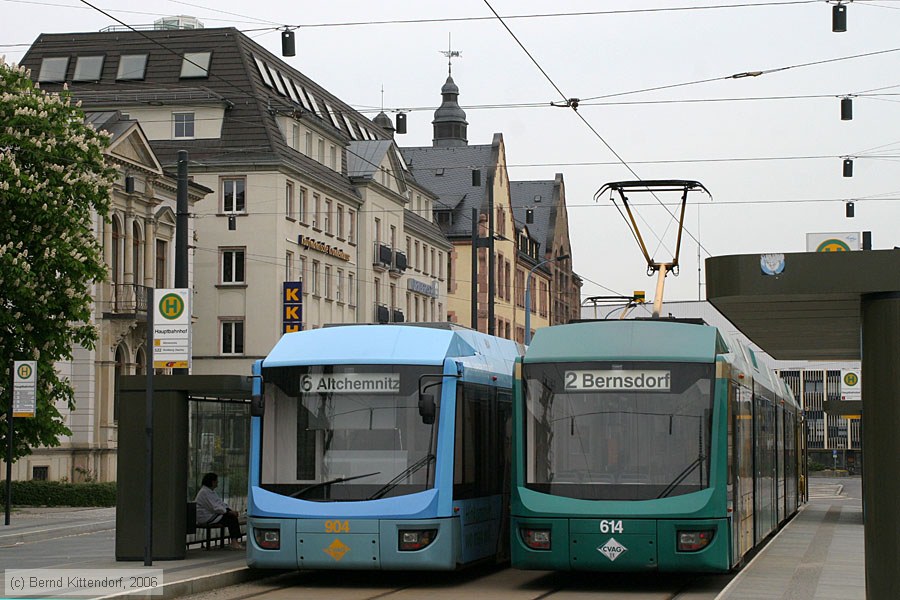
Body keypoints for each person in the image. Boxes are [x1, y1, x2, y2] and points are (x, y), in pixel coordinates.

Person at [195, 472, 244, 550]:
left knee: (231, 516)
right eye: (216, 481)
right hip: (206, 517)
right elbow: (214, 507)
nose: (218, 482)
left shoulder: (210, 491)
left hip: (212, 514)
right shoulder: (204, 492)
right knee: (231, 519)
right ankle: (234, 542)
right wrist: (228, 512)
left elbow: (220, 503)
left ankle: (235, 541)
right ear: (212, 481)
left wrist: (229, 510)